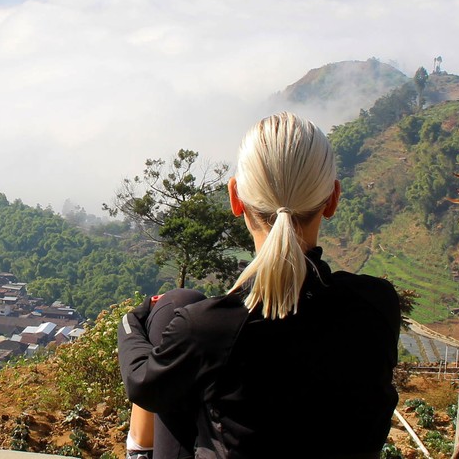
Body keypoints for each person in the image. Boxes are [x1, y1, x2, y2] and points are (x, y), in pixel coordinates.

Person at [119, 112, 401, 459]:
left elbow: (143, 385)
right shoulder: (377, 305)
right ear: (332, 199)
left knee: (173, 306)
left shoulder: (210, 328)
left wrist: (132, 323)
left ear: (236, 198)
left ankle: (138, 453)